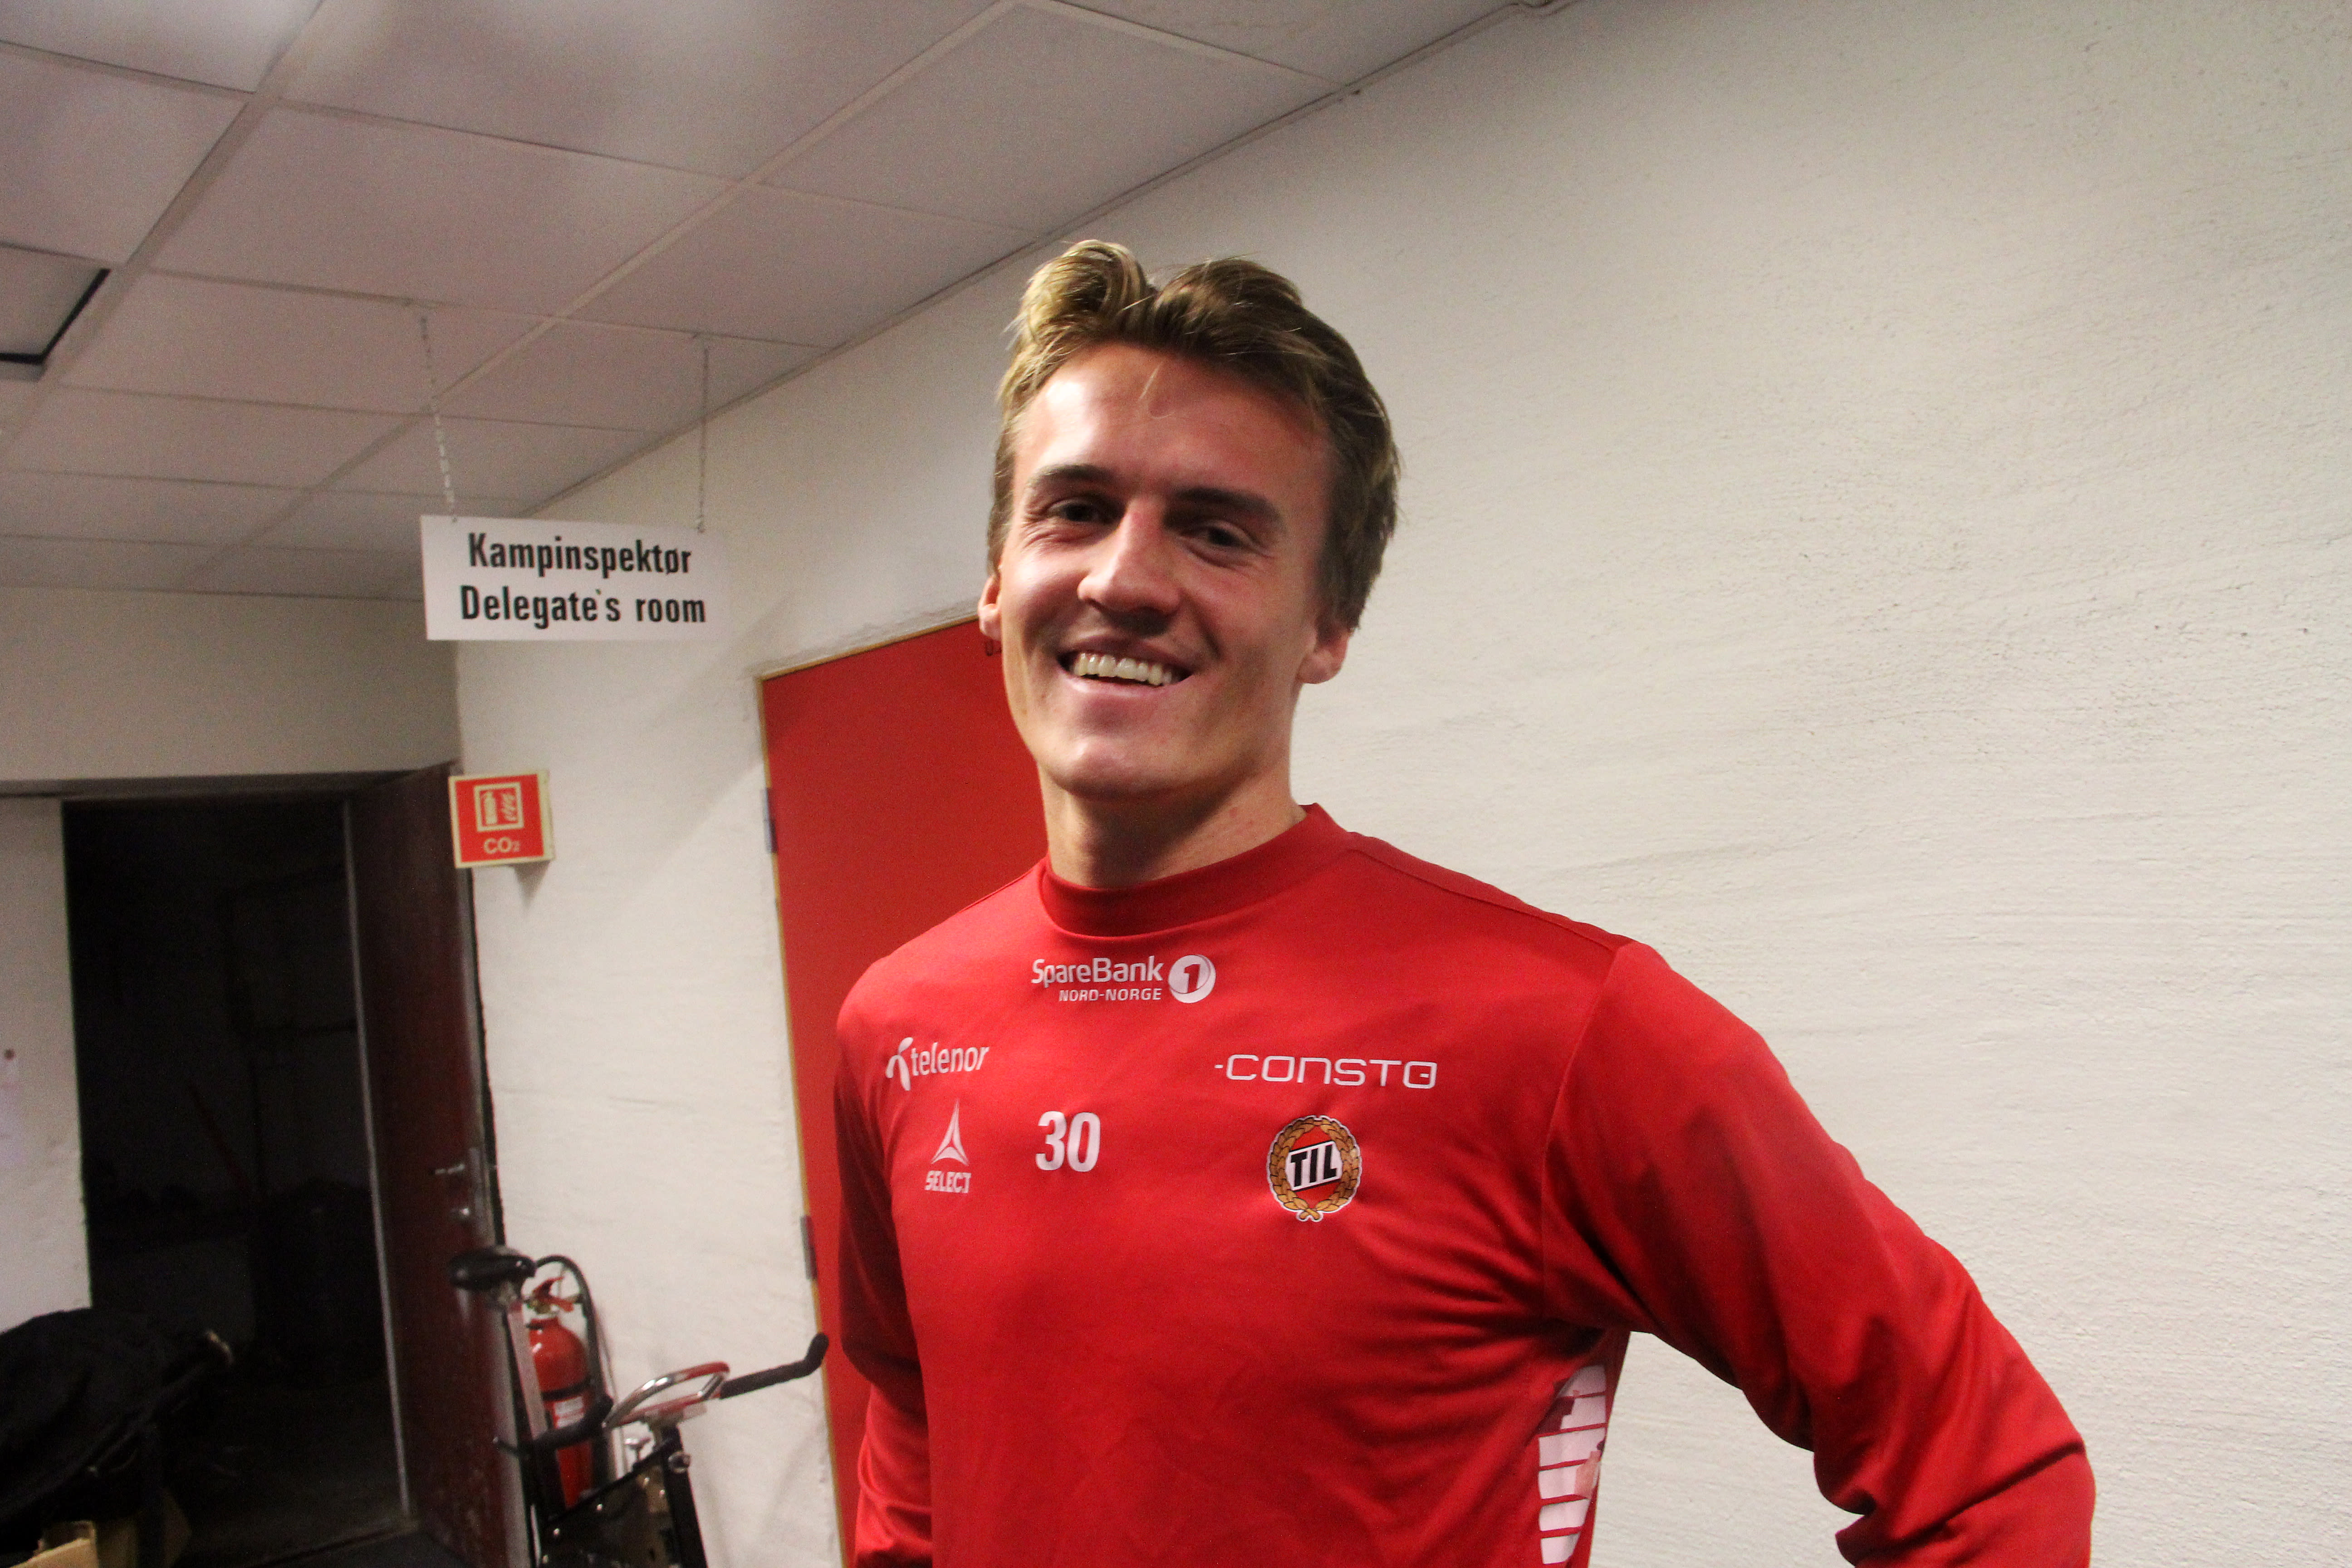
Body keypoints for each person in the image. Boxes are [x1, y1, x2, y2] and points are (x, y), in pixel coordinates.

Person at [832, 240, 2092, 1567]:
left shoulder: (1568, 1032)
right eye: (1076, 510)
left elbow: (1989, 1474)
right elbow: (913, 1415)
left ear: (1327, 626)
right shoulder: (895, 1023)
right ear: (996, 581)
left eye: (1216, 532)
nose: (1125, 580)